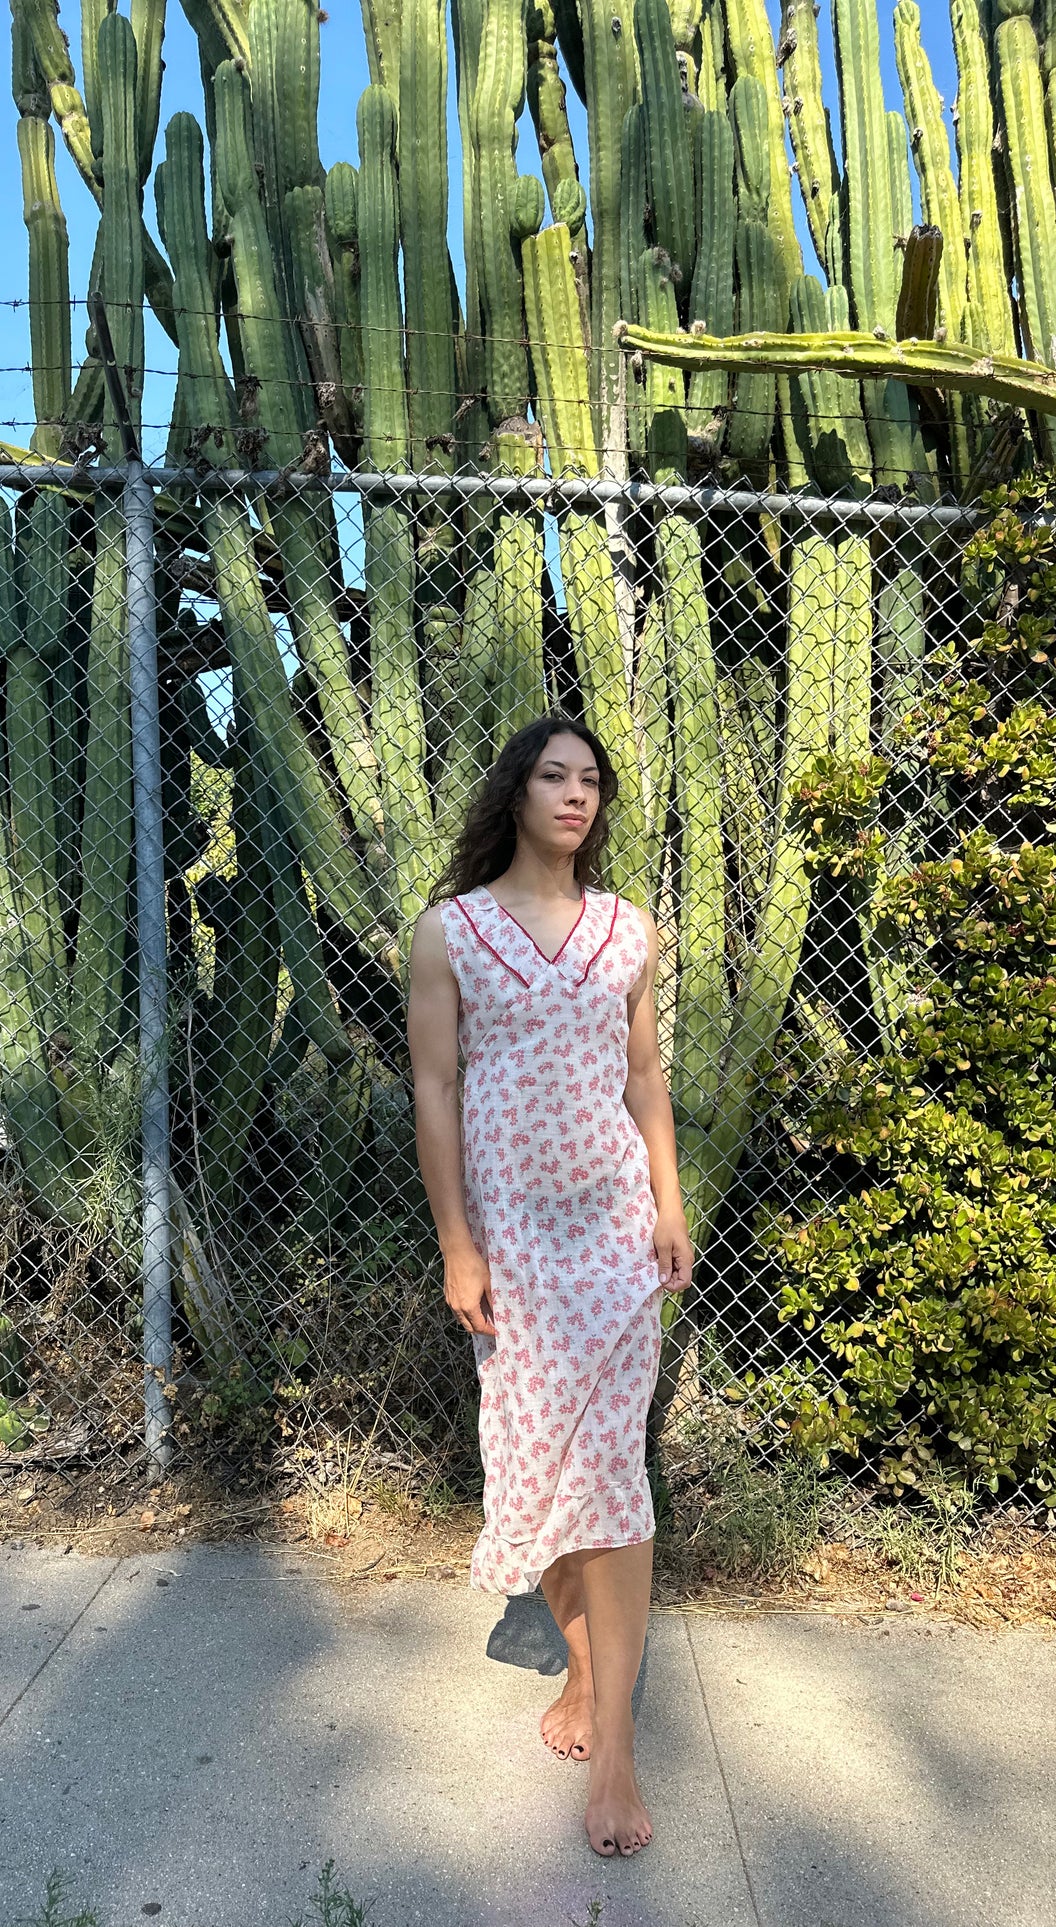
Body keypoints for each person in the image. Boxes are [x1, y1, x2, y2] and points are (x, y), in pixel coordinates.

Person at [406, 712, 694, 1859]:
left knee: (612, 1476)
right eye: (552, 776)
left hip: (616, 1239)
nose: (574, 796)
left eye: (590, 781)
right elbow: (432, 1087)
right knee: (545, 1471)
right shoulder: (452, 931)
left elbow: (643, 1073)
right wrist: (455, 1243)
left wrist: (669, 1207)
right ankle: (580, 1677)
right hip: (514, 1250)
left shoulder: (628, 930)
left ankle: (613, 1748)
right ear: (515, 793)